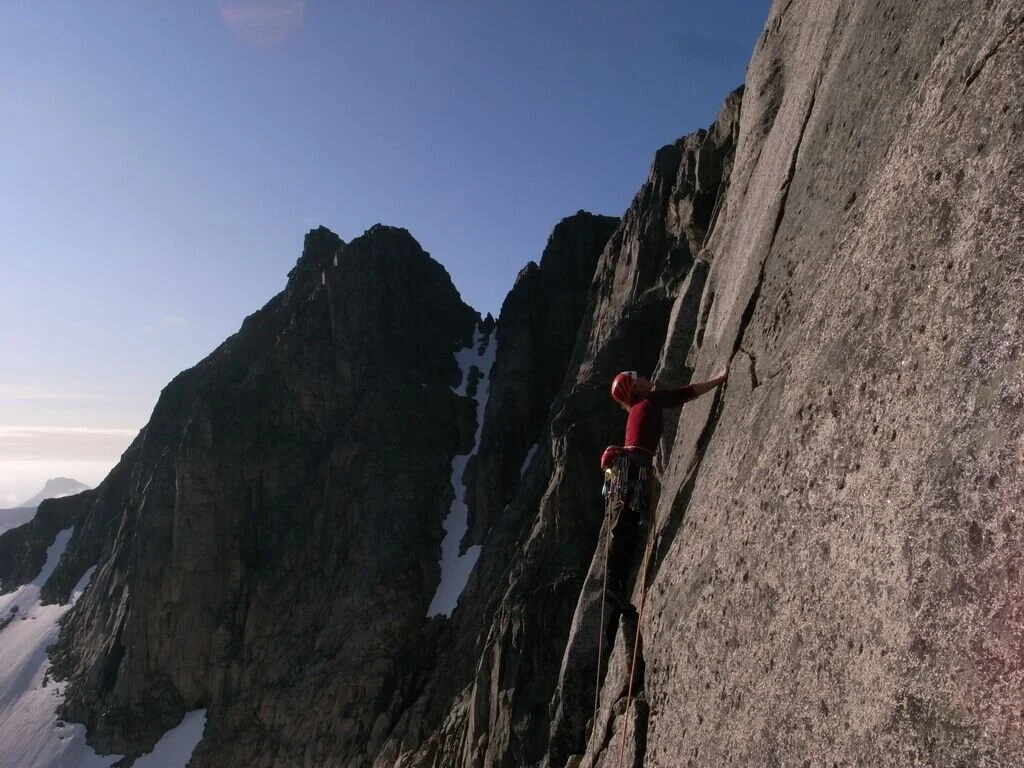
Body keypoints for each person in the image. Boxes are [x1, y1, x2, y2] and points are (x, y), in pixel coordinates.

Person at [600, 366, 728, 611]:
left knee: (625, 524)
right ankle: (613, 586)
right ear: (636, 387)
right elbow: (685, 393)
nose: (648, 378)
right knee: (626, 524)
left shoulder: (636, 410)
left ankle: (616, 586)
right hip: (634, 472)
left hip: (625, 472)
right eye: (640, 377)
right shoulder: (650, 399)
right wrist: (719, 379)